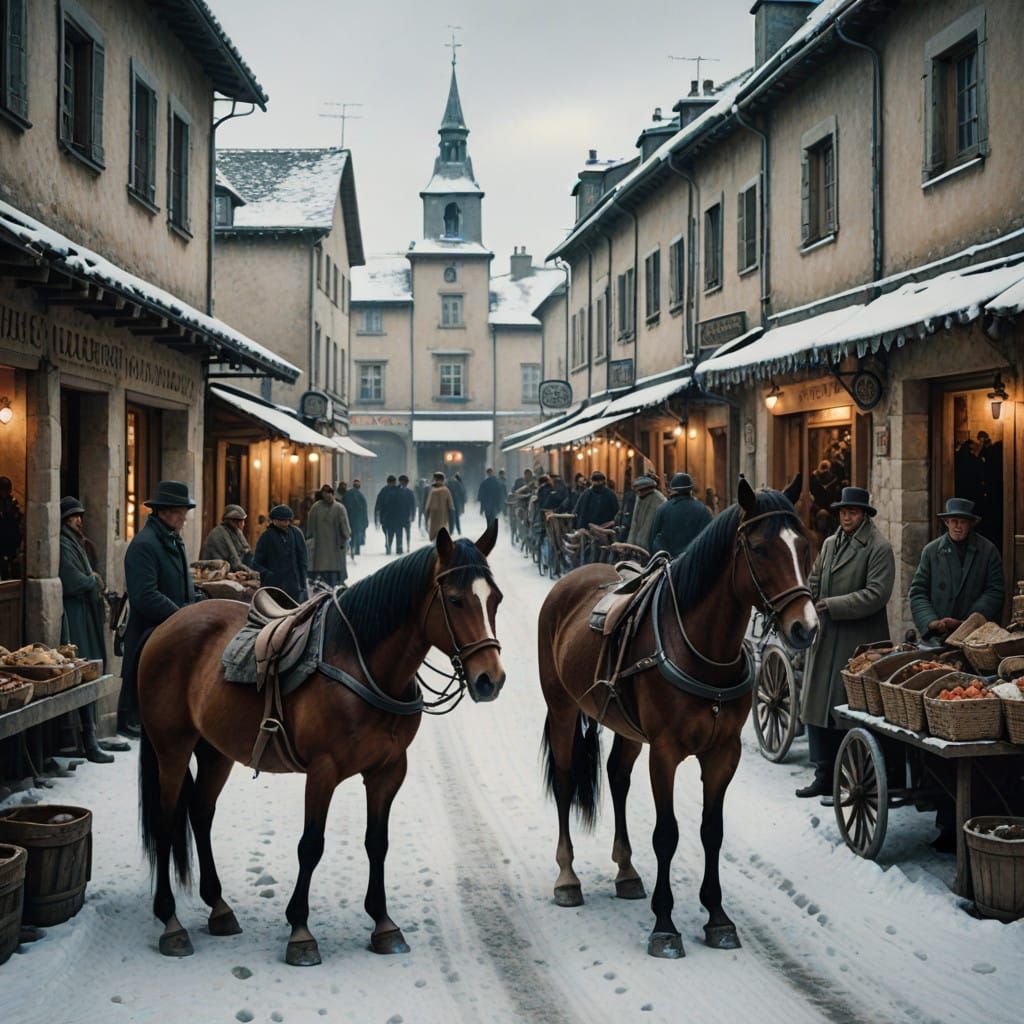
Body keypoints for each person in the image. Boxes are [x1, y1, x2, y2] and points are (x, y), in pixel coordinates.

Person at [797, 487, 895, 799]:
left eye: (852, 512)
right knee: (817, 707)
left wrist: (833, 604)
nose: (846, 517)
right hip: (825, 637)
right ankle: (823, 774)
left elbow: (876, 594)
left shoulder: (878, 548)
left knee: (845, 709)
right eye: (842, 512)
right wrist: (809, 595)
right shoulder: (829, 544)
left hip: (858, 642)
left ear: (864, 514)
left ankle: (850, 776)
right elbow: (815, 578)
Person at [120, 480, 197, 737]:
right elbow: (145, 596)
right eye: (178, 511)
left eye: (184, 511)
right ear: (162, 511)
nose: (183, 516)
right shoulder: (145, 545)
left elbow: (182, 585)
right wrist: (183, 616)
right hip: (150, 635)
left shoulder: (173, 540)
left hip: (173, 633)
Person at [58, 496, 114, 763]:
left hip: (85, 612)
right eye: (74, 516)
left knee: (90, 671)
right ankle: (86, 740)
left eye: (80, 515)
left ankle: (92, 735)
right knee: (82, 671)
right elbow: (71, 579)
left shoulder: (75, 541)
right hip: (75, 614)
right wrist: (91, 580)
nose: (79, 520)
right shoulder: (62, 543)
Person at [909, 497, 1005, 640]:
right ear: (946, 523)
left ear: (970, 524)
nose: (957, 526)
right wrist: (932, 622)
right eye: (953, 521)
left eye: (963, 522)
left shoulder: (988, 550)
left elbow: (995, 590)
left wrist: (967, 622)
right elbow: (918, 592)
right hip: (939, 635)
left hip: (975, 636)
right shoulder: (931, 551)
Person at [252, 505, 308, 601]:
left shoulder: (296, 533)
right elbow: (256, 562)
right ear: (274, 521)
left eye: (287, 521)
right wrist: (268, 575)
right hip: (274, 587)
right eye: (282, 520)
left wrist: (302, 582)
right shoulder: (267, 536)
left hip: (294, 585)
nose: (285, 523)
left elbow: (303, 558)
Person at [650, 473, 713, 557]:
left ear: (673, 491)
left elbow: (652, 539)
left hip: (668, 564)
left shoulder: (663, 509)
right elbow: (710, 540)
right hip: (694, 563)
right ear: (690, 491)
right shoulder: (703, 511)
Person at [305, 484, 351, 588]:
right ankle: (333, 584)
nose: (328, 497)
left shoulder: (316, 507)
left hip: (327, 545)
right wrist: (346, 537)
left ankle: (325, 584)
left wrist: (309, 537)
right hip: (332, 545)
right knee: (333, 568)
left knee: (323, 567)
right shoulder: (338, 507)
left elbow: (310, 528)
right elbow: (345, 527)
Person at [199, 504, 251, 571]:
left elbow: (246, 552)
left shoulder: (236, 532)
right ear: (232, 521)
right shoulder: (220, 533)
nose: (243, 524)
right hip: (215, 572)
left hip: (229, 570)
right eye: (240, 521)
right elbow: (235, 562)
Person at [626, 476, 666, 553]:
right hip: (636, 545)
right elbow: (635, 522)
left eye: (641, 491)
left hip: (650, 546)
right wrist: (630, 543)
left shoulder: (659, 500)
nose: (639, 493)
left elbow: (650, 525)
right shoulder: (640, 497)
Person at [375, 475, 407, 554]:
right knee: (398, 534)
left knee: (389, 534)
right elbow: (403, 504)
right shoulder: (399, 491)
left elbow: (378, 505)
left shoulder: (383, 491)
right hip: (397, 517)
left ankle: (389, 547)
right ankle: (398, 548)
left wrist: (379, 517)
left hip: (388, 517)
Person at [0, 475, 23, 580]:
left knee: (13, 561)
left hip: (11, 537)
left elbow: (17, 516)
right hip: (3, 536)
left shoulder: (12, 501)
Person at [424, 471, 455, 541]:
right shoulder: (445, 491)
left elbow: (427, 509)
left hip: (439, 524)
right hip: (440, 524)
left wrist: (426, 522)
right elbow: (451, 508)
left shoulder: (433, 491)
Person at [342, 478, 369, 558]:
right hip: (357, 519)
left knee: (351, 534)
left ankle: (352, 548)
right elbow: (364, 509)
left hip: (349, 517)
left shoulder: (347, 494)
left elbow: (343, 506)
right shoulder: (361, 496)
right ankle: (356, 549)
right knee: (356, 534)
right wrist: (365, 520)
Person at [398, 475, 418, 551]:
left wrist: (413, 515)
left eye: (404, 482)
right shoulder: (399, 491)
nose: (403, 483)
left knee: (407, 533)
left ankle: (407, 545)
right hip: (400, 516)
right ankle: (400, 546)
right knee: (400, 533)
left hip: (406, 516)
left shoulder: (410, 492)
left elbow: (413, 505)